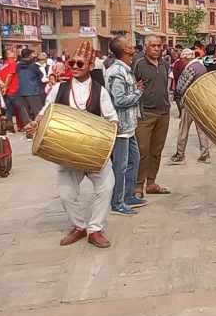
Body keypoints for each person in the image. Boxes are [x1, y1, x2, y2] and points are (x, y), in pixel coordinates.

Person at [42, 44, 117, 249]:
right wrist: (35, 124)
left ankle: (95, 229)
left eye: (79, 63)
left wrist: (107, 137)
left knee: (106, 187)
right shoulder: (59, 88)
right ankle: (78, 226)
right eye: (71, 63)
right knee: (66, 193)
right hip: (68, 150)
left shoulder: (100, 90)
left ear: (90, 65)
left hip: (94, 150)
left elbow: (112, 118)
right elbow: (45, 113)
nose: (74, 66)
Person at [104, 37, 147, 215]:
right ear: (125, 50)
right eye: (129, 45)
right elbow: (119, 100)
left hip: (129, 126)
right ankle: (117, 201)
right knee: (120, 166)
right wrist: (138, 92)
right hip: (120, 127)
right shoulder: (116, 72)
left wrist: (134, 89)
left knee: (134, 160)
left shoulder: (125, 70)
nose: (132, 47)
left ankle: (129, 195)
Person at [132, 35, 173, 197]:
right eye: (153, 46)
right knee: (142, 150)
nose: (157, 49)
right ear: (146, 47)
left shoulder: (164, 64)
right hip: (145, 113)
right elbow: (132, 84)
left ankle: (151, 182)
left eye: (159, 46)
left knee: (157, 150)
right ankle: (137, 185)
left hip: (163, 112)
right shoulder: (139, 64)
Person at [170, 47, 212, 164]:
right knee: (201, 129)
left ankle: (180, 154)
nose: (181, 61)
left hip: (190, 102)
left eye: (182, 59)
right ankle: (205, 155)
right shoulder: (202, 67)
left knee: (183, 129)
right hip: (201, 101)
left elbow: (180, 87)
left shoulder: (190, 69)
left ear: (186, 58)